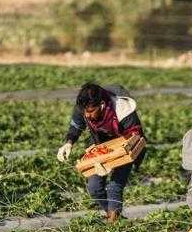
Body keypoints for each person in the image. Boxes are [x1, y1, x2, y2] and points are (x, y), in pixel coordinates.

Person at [56, 83, 145, 223]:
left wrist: (114, 160)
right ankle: (113, 215)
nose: (87, 115)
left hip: (126, 149)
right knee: (94, 188)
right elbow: (77, 125)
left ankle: (113, 223)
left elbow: (136, 137)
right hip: (101, 147)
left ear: (102, 105)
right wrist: (68, 143)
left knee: (114, 187)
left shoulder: (122, 109)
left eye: (91, 111)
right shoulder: (84, 106)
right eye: (85, 111)